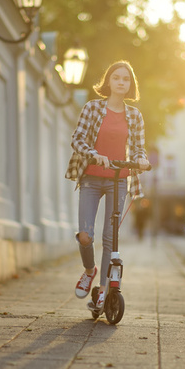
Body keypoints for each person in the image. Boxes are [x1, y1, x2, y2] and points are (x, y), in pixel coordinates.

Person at [64, 60, 149, 311]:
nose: (122, 82)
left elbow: (138, 147)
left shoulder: (134, 115)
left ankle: (102, 291)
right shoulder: (92, 108)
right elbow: (77, 139)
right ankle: (90, 270)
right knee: (85, 236)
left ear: (130, 85)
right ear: (108, 81)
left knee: (110, 238)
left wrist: (141, 159)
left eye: (126, 79)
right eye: (117, 78)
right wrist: (93, 153)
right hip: (91, 177)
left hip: (118, 180)